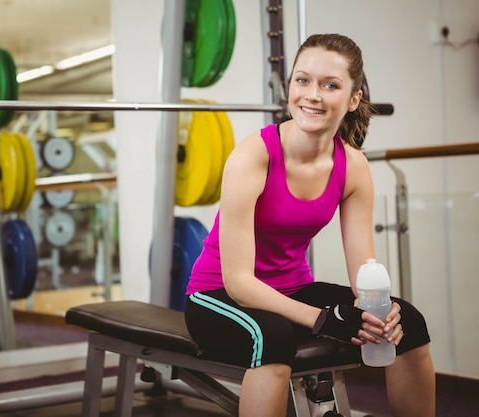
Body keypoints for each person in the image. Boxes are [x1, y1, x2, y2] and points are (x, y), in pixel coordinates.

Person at [183, 33, 435, 417]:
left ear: (353, 100)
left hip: (293, 289)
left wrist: (379, 313)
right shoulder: (252, 156)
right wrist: (323, 320)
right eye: (303, 80)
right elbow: (239, 282)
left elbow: (364, 271)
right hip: (218, 295)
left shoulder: (352, 166)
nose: (312, 95)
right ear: (290, 87)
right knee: (272, 337)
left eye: (330, 85)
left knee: (409, 322)